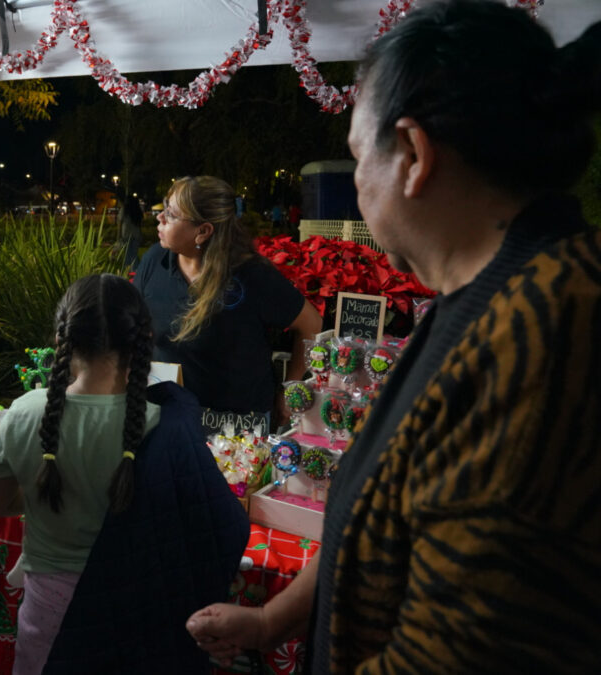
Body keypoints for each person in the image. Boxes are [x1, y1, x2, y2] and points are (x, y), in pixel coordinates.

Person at [186, 2, 601, 671]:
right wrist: (271, 619)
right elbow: (375, 513)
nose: (356, 184)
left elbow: (456, 650)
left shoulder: (541, 335)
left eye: (357, 156)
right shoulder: (479, 299)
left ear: (411, 154)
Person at [0, 273, 249, 674]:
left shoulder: (23, 412)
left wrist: (44, 490)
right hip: (133, 606)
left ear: (63, 337)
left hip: (46, 608)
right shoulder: (162, 423)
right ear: (142, 339)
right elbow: (217, 522)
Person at [135, 176, 322, 431]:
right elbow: (134, 322)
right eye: (164, 207)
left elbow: (311, 323)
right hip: (169, 418)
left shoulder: (252, 275)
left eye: (171, 213)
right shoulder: (156, 259)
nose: (160, 217)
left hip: (235, 431)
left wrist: (291, 388)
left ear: (203, 231)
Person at [116, 194, 143, 268]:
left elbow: (120, 223)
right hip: (136, 235)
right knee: (134, 255)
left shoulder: (124, 210)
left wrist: (118, 236)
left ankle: (127, 272)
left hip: (126, 235)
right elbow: (139, 225)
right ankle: (136, 270)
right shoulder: (137, 211)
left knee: (127, 255)